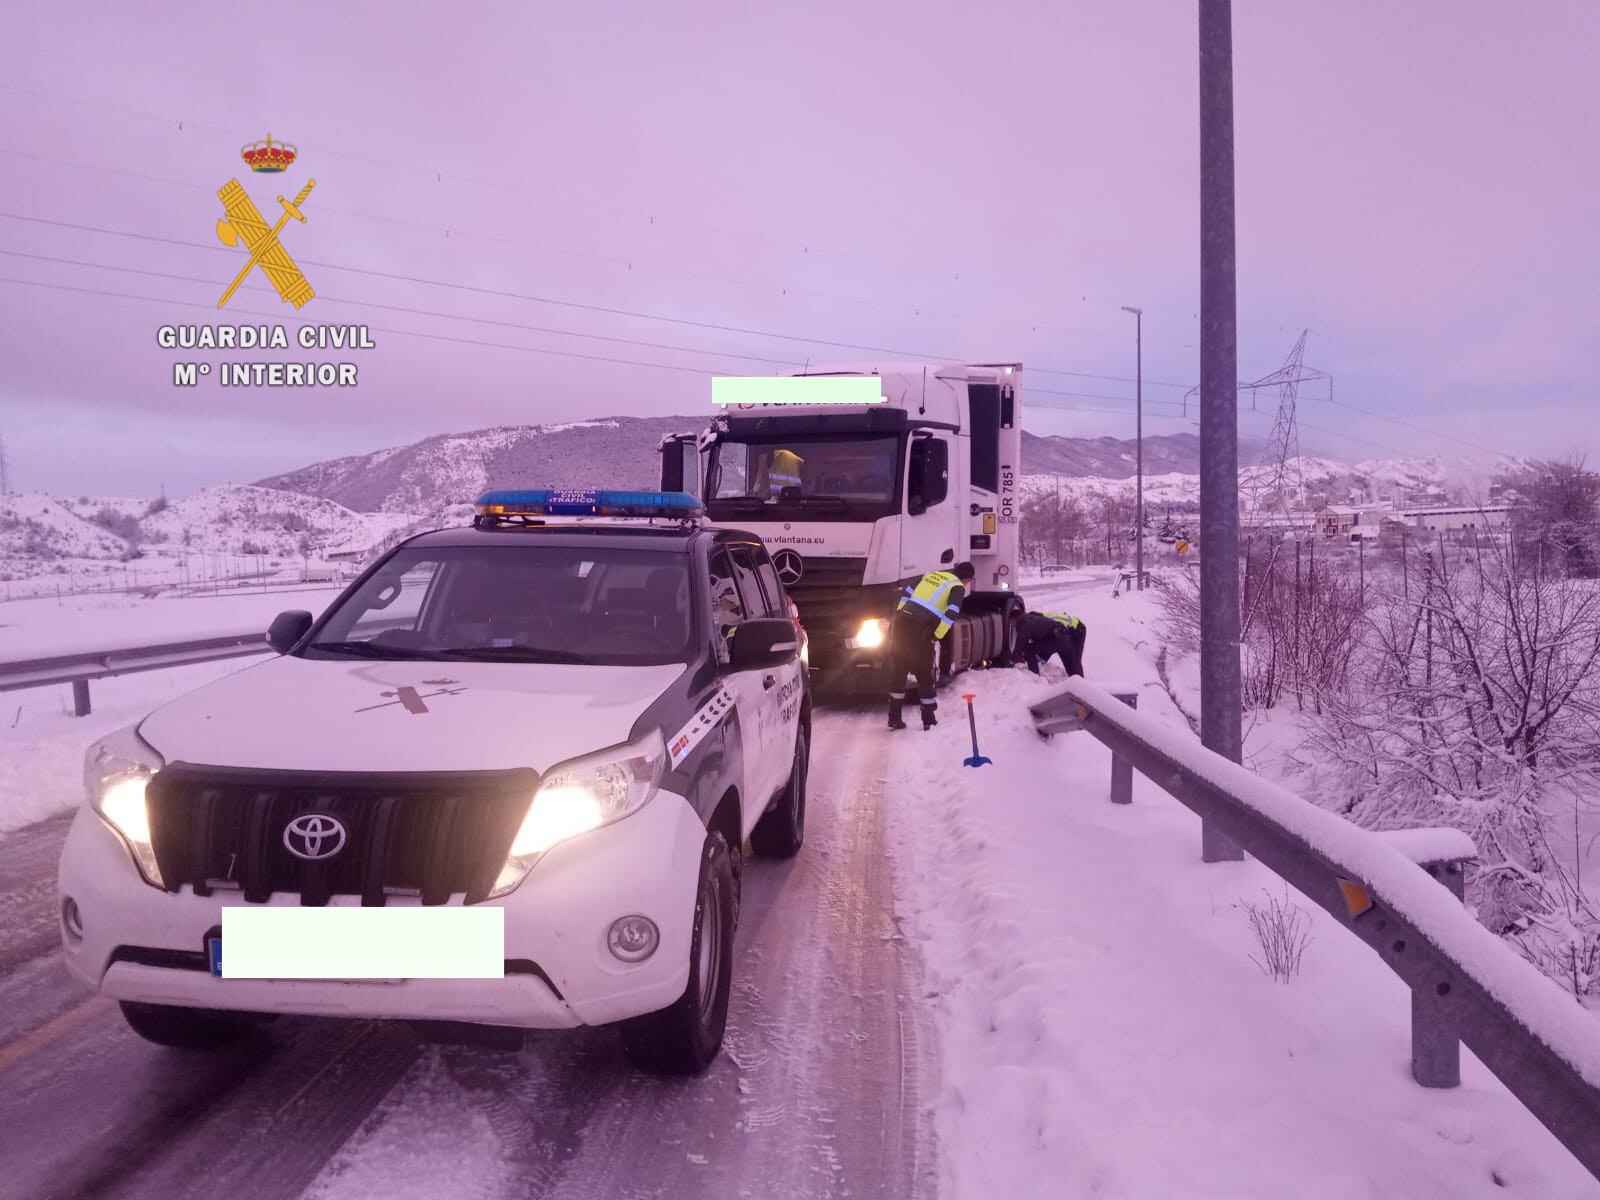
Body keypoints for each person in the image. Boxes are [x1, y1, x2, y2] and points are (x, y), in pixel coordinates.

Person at [887, 561, 975, 730]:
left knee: (899, 670)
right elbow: (952, 613)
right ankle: (928, 719)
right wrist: (936, 636)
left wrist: (900, 613)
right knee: (924, 674)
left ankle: (894, 718)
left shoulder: (930, 574)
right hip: (923, 627)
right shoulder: (957, 586)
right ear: (967, 579)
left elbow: (906, 593)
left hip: (902, 622)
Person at [1022, 610, 1087, 677]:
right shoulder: (1043, 620)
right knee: (1068, 660)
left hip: (1077, 631)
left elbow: (1049, 645)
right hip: (1064, 634)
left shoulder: (1045, 623)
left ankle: (1081, 683)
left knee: (1074, 667)